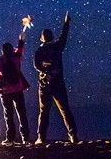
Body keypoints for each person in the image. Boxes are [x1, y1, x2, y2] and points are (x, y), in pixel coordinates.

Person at [33, 11, 79, 143]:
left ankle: (41, 138)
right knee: (65, 110)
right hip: (58, 84)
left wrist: (46, 72)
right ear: (52, 37)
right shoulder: (57, 46)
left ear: (42, 38)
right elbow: (64, 36)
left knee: (44, 112)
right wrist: (66, 23)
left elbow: (36, 65)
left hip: (44, 85)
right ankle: (73, 135)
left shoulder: (39, 51)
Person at [0, 18, 32, 144]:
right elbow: (20, 48)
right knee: (22, 114)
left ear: (2, 51)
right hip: (18, 89)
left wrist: (0, 86)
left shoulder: (0, 60)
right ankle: (25, 138)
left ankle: (10, 138)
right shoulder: (16, 57)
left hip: (6, 91)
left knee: (8, 115)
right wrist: (21, 39)